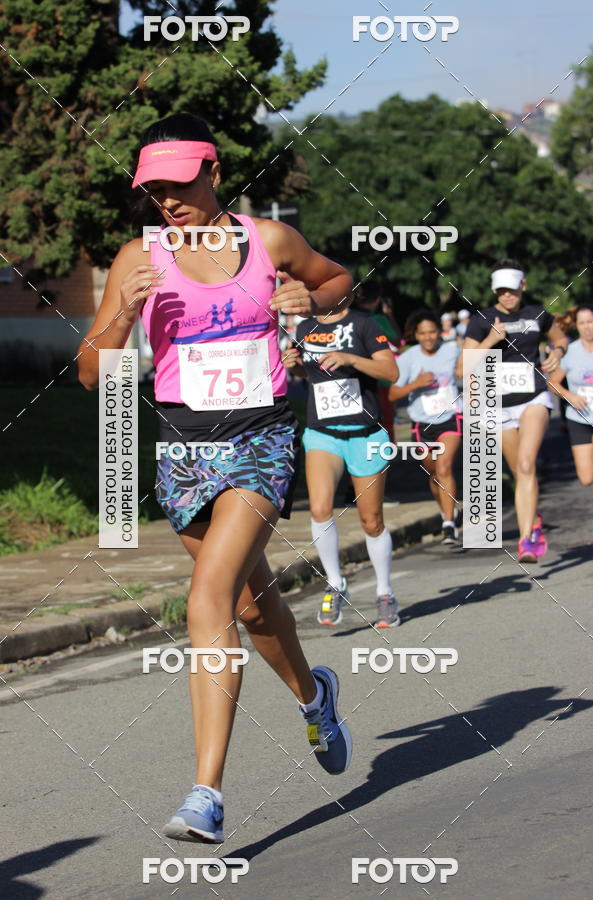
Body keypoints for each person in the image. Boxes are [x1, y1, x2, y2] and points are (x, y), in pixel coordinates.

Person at [77, 113, 354, 843]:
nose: (167, 199)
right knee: (252, 606)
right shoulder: (139, 256)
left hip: (260, 438)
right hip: (182, 450)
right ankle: (314, 697)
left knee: (207, 598)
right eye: (154, 188)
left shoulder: (268, 241)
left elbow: (335, 280)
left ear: (214, 172)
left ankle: (206, 793)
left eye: (179, 183)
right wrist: (121, 319)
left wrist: (308, 301)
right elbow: (88, 373)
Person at [283, 304, 400, 628]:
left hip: (365, 433)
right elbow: (314, 374)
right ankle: (335, 582)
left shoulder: (364, 324)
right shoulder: (305, 328)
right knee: (319, 509)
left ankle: (384, 592)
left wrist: (350, 358)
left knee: (371, 521)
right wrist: (294, 368)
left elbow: (390, 373)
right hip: (323, 434)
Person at [462, 258, 568, 562]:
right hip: (498, 405)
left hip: (533, 397)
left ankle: (526, 541)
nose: (506, 296)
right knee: (516, 470)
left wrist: (557, 352)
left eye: (511, 290)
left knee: (525, 464)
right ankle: (531, 517)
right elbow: (464, 364)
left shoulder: (538, 314)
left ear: (523, 285)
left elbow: (559, 336)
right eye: (500, 291)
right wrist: (492, 340)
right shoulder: (482, 319)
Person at [388, 310, 463, 544]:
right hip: (422, 422)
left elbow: (469, 372)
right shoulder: (408, 359)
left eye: (432, 332)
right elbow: (392, 394)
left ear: (439, 333)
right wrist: (416, 384)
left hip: (451, 417)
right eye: (423, 333)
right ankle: (447, 510)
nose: (429, 337)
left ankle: (449, 525)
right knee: (434, 473)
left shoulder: (452, 352)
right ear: (416, 335)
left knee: (444, 467)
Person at [548, 305, 593, 535]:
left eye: (590, 322)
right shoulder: (571, 352)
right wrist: (570, 395)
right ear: (576, 327)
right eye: (582, 323)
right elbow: (553, 382)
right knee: (586, 477)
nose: (587, 327)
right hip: (578, 418)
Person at [354, 283, 402, 441]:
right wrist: (390, 316)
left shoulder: (349, 317)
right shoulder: (379, 319)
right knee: (386, 419)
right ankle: (388, 451)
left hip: (354, 379)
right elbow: (397, 341)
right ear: (378, 300)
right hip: (380, 379)